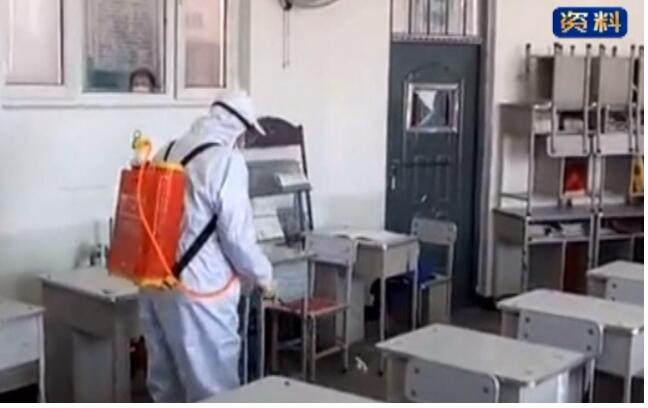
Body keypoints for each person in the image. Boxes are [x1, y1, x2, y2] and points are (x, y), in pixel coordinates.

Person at [138, 91, 273, 402]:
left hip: (156, 285)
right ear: (238, 129)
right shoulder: (226, 161)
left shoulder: (166, 151)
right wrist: (264, 276)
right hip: (200, 293)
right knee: (214, 391)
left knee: (166, 386)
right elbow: (237, 239)